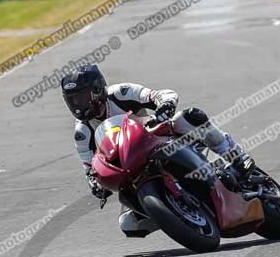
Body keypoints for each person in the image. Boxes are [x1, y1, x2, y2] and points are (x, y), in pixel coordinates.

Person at [60, 65, 257, 238]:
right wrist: (96, 184)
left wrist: (165, 106)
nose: (78, 105)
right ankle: (173, 213)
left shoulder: (120, 93)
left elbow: (162, 95)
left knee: (189, 117)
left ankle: (237, 156)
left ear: (96, 89)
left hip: (157, 138)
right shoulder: (82, 132)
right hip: (130, 167)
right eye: (73, 100)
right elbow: (89, 167)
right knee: (128, 224)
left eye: (82, 98)